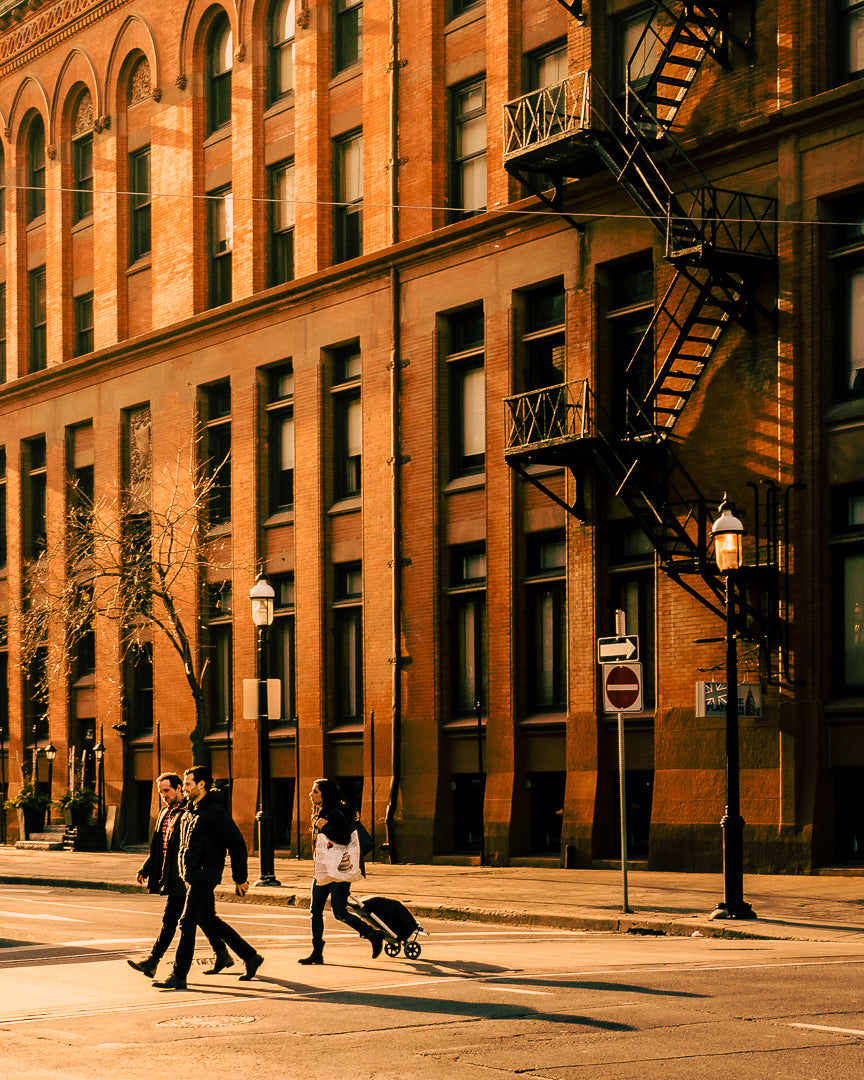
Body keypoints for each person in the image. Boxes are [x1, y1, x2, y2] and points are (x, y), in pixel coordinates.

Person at [153, 765, 264, 991]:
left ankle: (179, 974)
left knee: (187, 922)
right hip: (192, 874)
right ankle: (250, 956)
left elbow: (237, 844)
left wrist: (240, 877)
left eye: (188, 784)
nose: (184, 788)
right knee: (209, 919)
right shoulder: (192, 810)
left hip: (205, 874)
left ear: (201, 785)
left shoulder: (214, 812)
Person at [128, 772, 233, 979]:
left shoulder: (190, 811)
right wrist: (145, 868)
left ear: (178, 789)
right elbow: (161, 848)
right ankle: (225, 954)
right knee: (203, 918)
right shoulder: (165, 813)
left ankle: (154, 961)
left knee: (175, 919)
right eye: (160, 792)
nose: (163, 795)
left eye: (167, 791)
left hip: (188, 875)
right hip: (174, 875)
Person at [298, 777, 383, 965]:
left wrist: (324, 827)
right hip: (324, 869)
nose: (310, 795)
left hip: (339, 869)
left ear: (325, 794)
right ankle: (316, 952)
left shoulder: (335, 812)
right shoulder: (322, 810)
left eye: (315, 791)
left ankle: (372, 935)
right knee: (315, 910)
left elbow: (345, 839)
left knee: (340, 912)